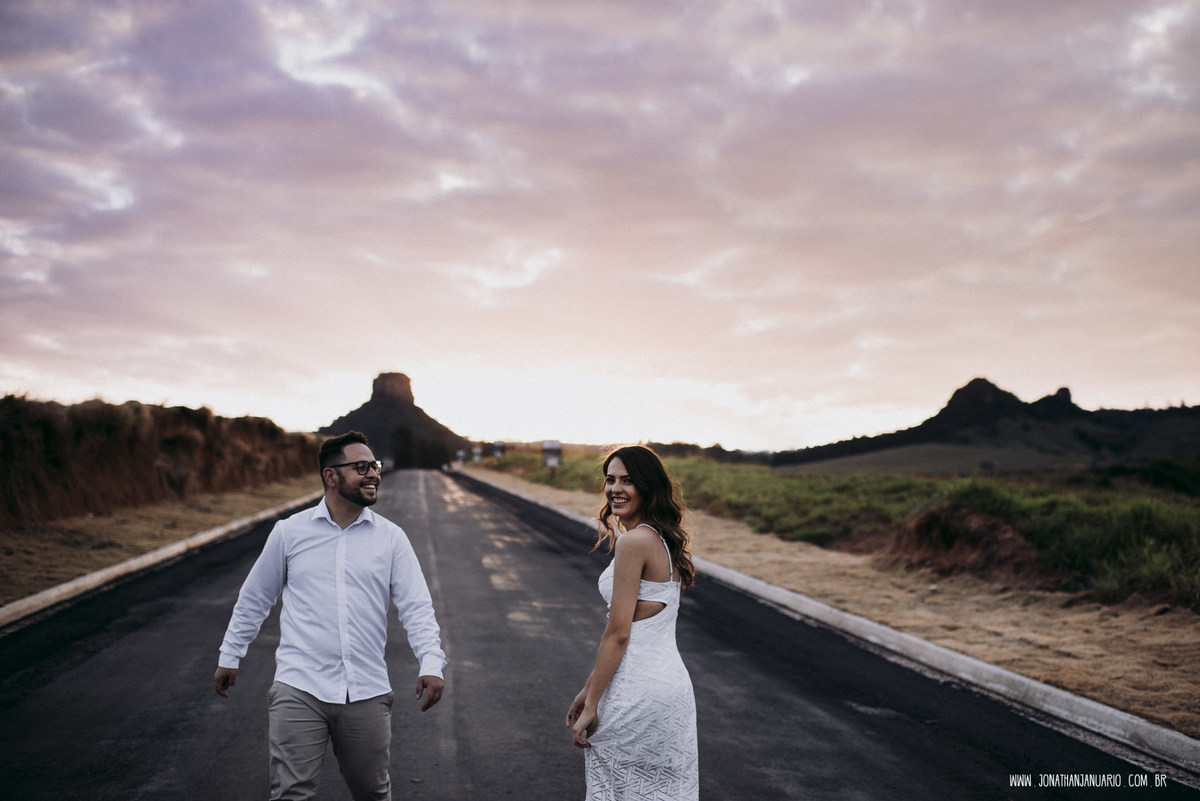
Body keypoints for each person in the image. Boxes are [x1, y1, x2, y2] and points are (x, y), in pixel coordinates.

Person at [213, 431, 446, 801]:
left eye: (375, 466)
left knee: (372, 792)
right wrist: (230, 654)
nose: (373, 474)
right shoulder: (289, 533)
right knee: (291, 794)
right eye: (361, 467)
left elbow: (416, 606)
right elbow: (255, 597)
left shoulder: (391, 538)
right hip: (299, 686)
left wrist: (431, 662)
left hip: (366, 690)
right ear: (331, 476)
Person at [566, 444, 699, 800]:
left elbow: (619, 634)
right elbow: (633, 629)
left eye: (628, 480)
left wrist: (592, 703)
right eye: (610, 480)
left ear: (648, 486)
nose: (615, 489)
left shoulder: (634, 542)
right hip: (670, 690)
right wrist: (588, 688)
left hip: (634, 692)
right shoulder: (660, 538)